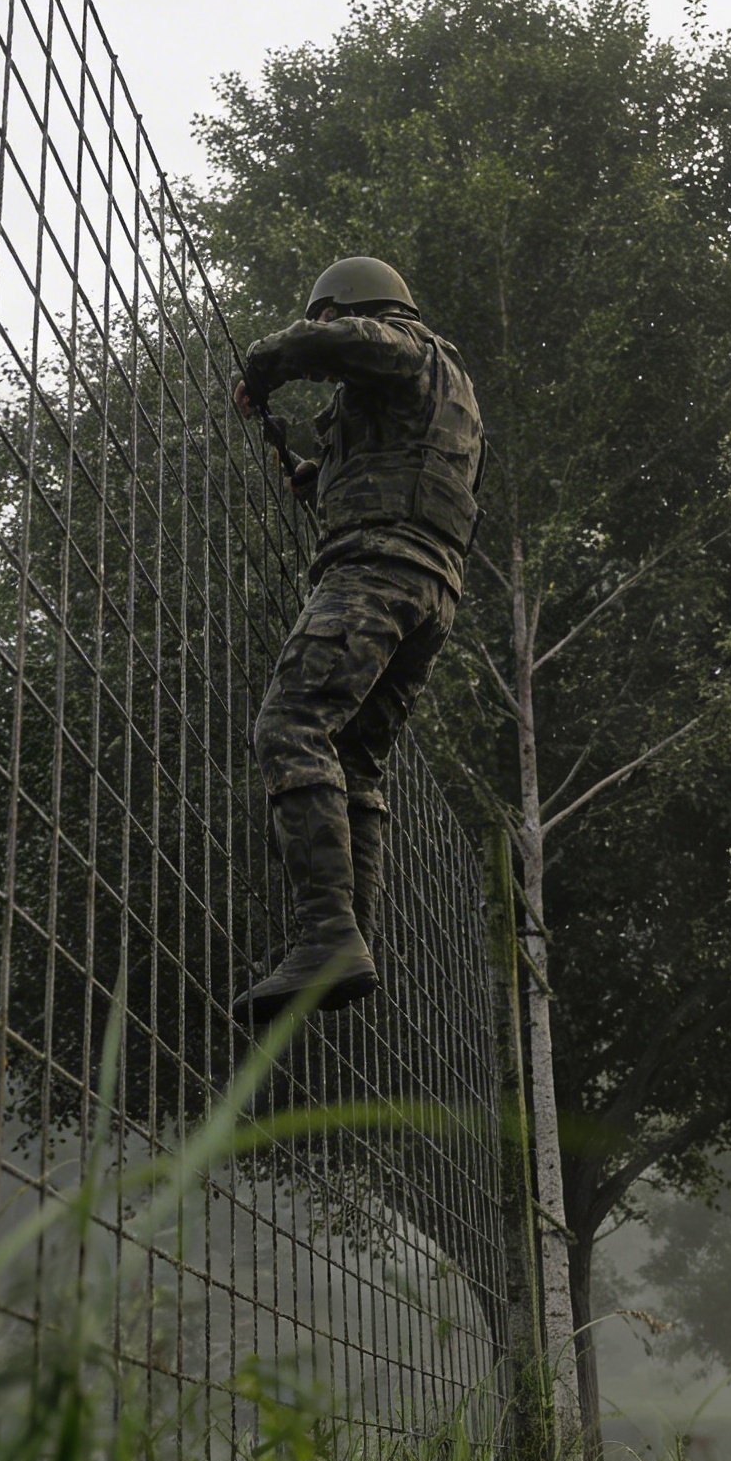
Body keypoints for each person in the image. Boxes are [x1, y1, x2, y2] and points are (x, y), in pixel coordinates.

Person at [229, 256, 484, 1024]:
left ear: (339, 312)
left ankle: (328, 933)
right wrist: (326, 475)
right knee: (355, 761)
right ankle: (346, 943)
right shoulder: (456, 395)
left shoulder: (407, 343)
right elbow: (408, 465)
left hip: (376, 568)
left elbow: (370, 346)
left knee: (291, 726)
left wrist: (269, 363)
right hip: (431, 589)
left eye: (325, 321)